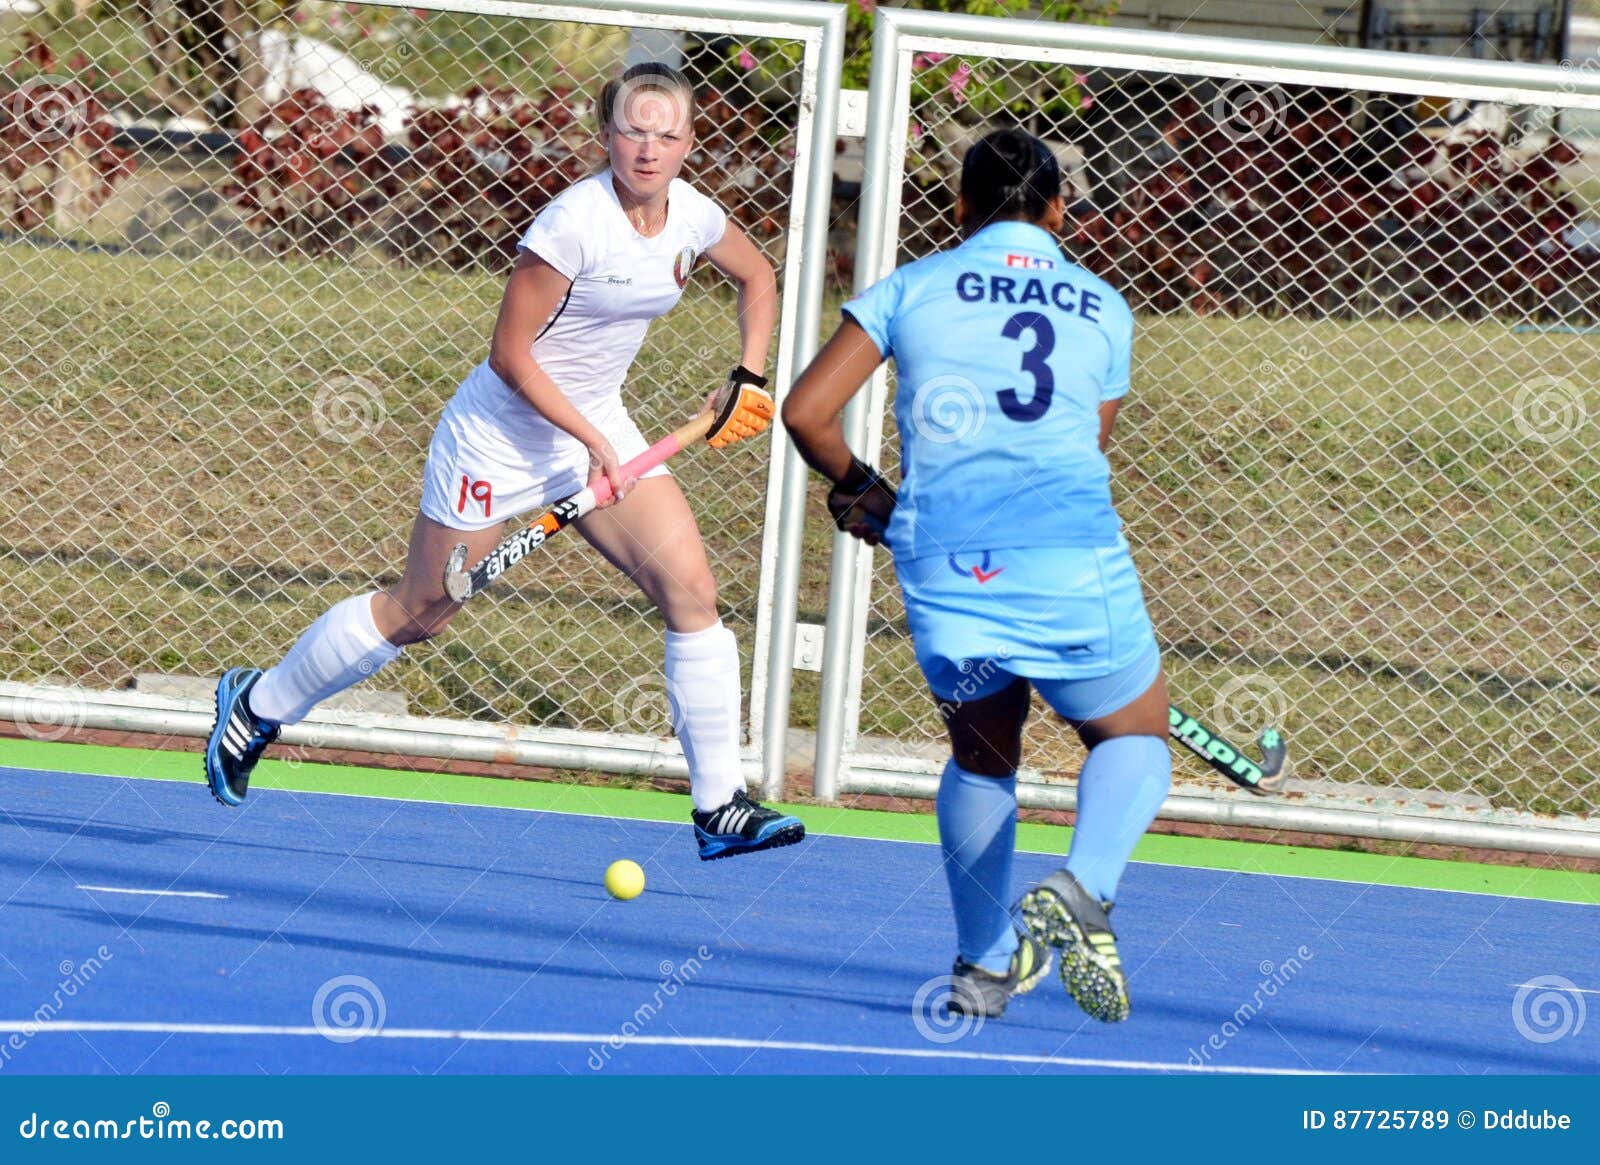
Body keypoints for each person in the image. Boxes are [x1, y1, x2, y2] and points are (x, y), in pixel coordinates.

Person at [205, 63, 805, 862]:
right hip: (500, 432)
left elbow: (758, 275)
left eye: (668, 134)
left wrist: (749, 373)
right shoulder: (572, 225)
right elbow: (511, 355)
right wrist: (591, 442)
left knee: (690, 586)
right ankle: (258, 702)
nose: (650, 149)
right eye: (634, 130)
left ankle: (718, 804)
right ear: (607, 137)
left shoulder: (693, 215)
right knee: (423, 610)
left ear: (690, 143)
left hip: (597, 425)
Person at [782, 127, 1171, 1022]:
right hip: (1070, 556)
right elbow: (1083, 442)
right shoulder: (1105, 307)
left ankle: (982, 968)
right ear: (1058, 209)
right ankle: (1085, 887)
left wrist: (864, 488)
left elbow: (806, 412)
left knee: (984, 752)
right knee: (1133, 735)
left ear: (958, 209)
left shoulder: (911, 287)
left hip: (946, 565)